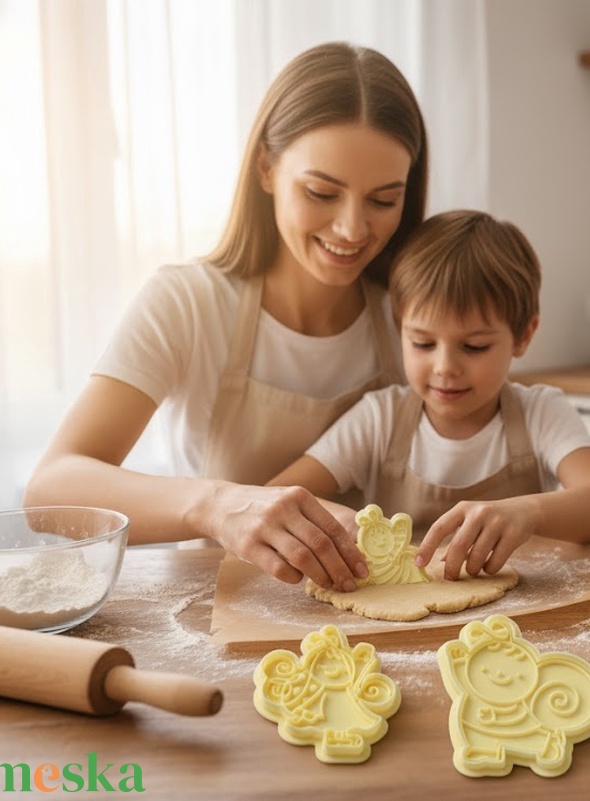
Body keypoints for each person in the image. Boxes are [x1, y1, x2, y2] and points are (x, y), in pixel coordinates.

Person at [24, 42, 428, 592]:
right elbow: (49, 493)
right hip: (213, 609)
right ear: (265, 168)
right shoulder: (186, 302)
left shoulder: (412, 317)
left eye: (383, 200)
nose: (352, 228)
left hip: (371, 614)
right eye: (321, 192)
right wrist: (216, 503)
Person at [269, 210, 590, 580]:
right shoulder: (380, 418)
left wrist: (528, 513)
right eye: (423, 343)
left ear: (523, 336)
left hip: (524, 606)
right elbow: (277, 496)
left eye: (474, 347)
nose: (445, 367)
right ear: (400, 330)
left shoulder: (540, 412)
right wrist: (339, 523)